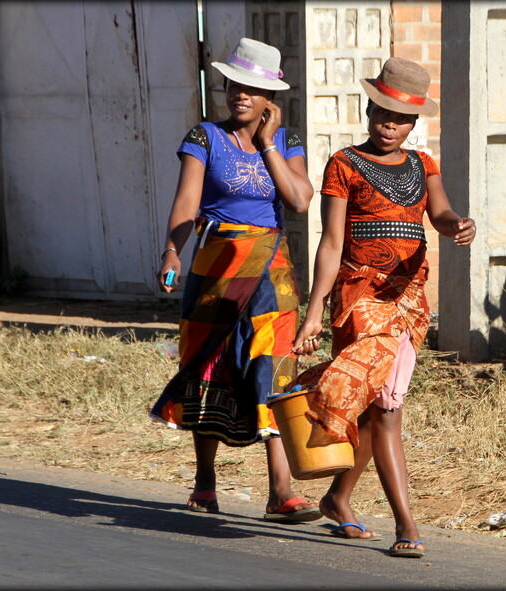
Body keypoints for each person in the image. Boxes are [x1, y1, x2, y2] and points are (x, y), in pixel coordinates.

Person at [291, 57, 476, 558]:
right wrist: (313, 312)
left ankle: (338, 498)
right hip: (360, 299)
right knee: (388, 412)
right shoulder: (344, 165)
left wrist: (458, 223)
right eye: (381, 114)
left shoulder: (423, 165)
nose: (388, 126)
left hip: (409, 300)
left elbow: (438, 213)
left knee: (380, 408)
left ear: (414, 124)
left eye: (400, 119)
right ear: (369, 112)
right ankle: (406, 523)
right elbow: (330, 244)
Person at [149, 38, 320, 522]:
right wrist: (171, 251)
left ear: (271, 99)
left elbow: (301, 201)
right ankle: (205, 480)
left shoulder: (288, 143)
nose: (239, 94)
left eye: (252, 88)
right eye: (233, 84)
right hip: (216, 270)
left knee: (274, 368)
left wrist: (268, 144)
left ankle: (281, 491)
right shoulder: (205, 137)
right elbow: (187, 202)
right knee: (206, 363)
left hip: (271, 270)